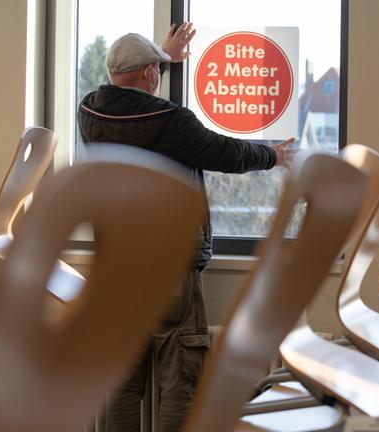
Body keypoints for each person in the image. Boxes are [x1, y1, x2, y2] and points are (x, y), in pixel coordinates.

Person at [78, 22, 295, 432]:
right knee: (180, 380)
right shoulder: (171, 120)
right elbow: (224, 152)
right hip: (169, 265)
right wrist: (272, 156)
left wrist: (159, 58)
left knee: (122, 384)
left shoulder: (89, 111)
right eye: (155, 70)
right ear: (150, 75)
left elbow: (122, 97)